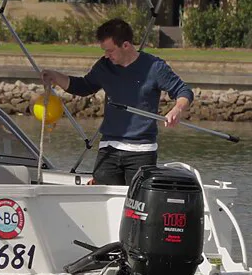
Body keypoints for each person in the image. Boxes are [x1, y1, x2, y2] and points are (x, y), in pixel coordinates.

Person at [41, 18, 194, 186]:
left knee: (136, 204)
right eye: (104, 51)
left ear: (126, 46)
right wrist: (55, 76)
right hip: (109, 149)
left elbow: (183, 91)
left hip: (141, 152)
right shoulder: (104, 66)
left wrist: (177, 109)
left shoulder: (154, 67)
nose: (107, 55)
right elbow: (83, 86)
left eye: (110, 51)